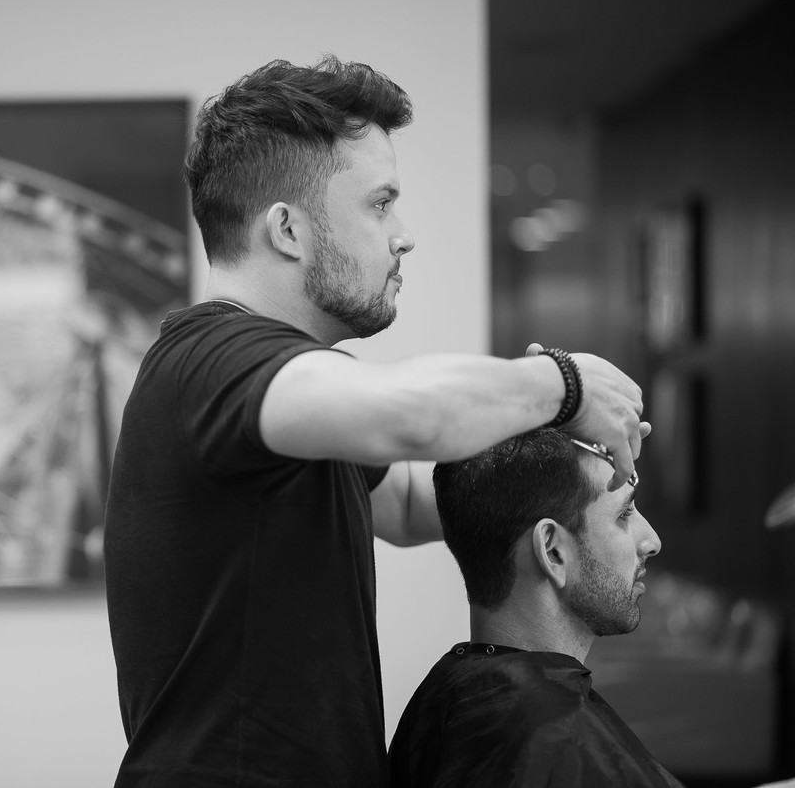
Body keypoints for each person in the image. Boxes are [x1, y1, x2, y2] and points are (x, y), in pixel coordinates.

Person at [104, 55, 646, 787]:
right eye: (380, 203)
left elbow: (417, 501)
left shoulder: (282, 398)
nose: (403, 234)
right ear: (288, 230)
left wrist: (576, 486)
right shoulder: (212, 362)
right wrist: (566, 384)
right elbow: (413, 416)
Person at [388, 427, 680, 786]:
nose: (652, 541)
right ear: (553, 551)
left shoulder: (444, 701)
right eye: (624, 514)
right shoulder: (557, 742)